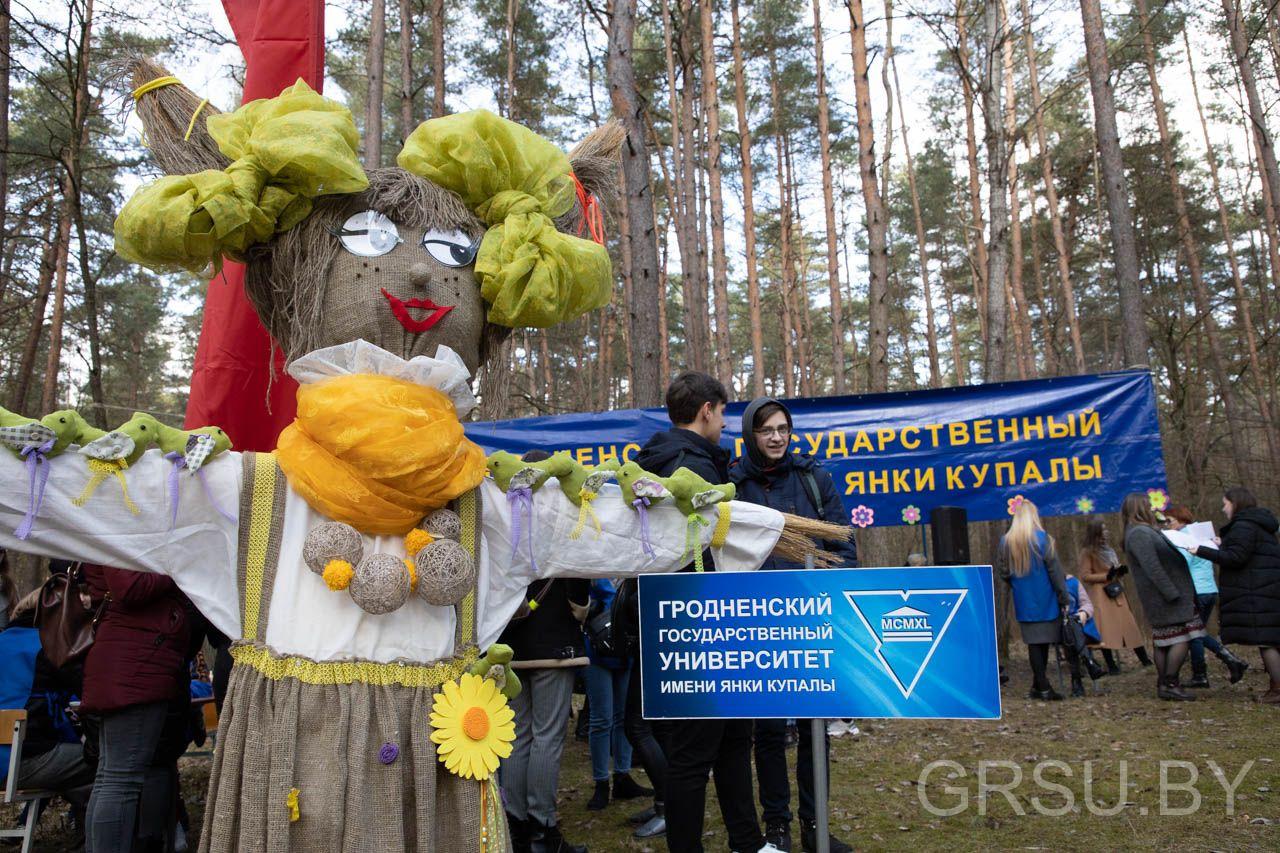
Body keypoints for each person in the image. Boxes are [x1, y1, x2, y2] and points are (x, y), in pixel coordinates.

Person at [634, 372, 777, 853]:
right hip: (696, 622)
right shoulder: (687, 464)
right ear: (707, 411)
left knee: (736, 736)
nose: (724, 422)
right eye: (723, 412)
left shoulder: (674, 458)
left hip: (717, 617)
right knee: (693, 752)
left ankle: (746, 839)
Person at [730, 396, 855, 853]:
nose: (777, 437)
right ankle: (777, 828)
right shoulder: (733, 483)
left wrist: (833, 596)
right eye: (767, 430)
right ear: (751, 435)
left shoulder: (814, 479)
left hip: (812, 623)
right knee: (766, 732)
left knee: (813, 728)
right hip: (756, 629)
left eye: (783, 428)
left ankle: (814, 823)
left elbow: (843, 546)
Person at [500, 448, 594, 853]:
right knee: (547, 738)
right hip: (556, 643)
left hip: (511, 645)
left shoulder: (505, 524)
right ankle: (544, 829)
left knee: (517, 737)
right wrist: (582, 609)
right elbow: (579, 594)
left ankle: (516, 828)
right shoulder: (561, 522)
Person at [80, 563, 201, 852]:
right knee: (121, 780)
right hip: (136, 660)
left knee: (111, 776)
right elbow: (129, 586)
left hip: (130, 657)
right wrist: (180, 566)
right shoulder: (120, 519)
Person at [1194, 487, 1280, 703]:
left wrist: (1201, 550)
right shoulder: (1258, 525)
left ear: (1236, 503)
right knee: (1273, 640)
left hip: (1256, 592)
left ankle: (1277, 690)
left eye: (1226, 504)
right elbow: (1247, 552)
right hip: (1267, 589)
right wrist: (1223, 544)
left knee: (1266, 641)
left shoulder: (1243, 526)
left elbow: (1236, 558)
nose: (1224, 509)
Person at [1121, 493, 1205, 701]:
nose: (1153, 509)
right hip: (1165, 596)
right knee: (1180, 638)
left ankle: (1165, 683)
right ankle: (1170, 683)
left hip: (1167, 594)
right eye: (1148, 506)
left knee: (1167, 640)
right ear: (1139, 509)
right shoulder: (1139, 534)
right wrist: (1171, 593)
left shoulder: (1145, 531)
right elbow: (1153, 568)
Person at [582, 578, 649, 812]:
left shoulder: (633, 562)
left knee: (623, 718)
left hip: (626, 647)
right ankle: (601, 783)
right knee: (602, 718)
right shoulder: (591, 563)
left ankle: (622, 776)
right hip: (596, 647)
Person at [1164, 504, 1250, 687]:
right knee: (1196, 631)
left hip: (1196, 591)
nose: (1167, 525)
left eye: (1170, 521)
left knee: (1194, 633)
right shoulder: (1201, 534)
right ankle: (1211, 669)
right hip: (1209, 589)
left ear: (1181, 521)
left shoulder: (1183, 538)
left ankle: (1213, 668)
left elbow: (1182, 563)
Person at [996, 499, 1071, 700]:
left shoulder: (1006, 542)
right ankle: (1044, 687)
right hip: (1046, 598)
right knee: (1042, 643)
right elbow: (1056, 572)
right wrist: (1064, 596)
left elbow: (1003, 572)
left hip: (1023, 599)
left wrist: (1017, 585)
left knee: (1034, 643)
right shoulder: (1044, 539)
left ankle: (1039, 686)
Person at [1077, 518, 1153, 673]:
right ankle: (1111, 665)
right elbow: (1085, 576)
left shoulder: (1109, 550)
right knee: (1106, 631)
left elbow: (1113, 569)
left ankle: (1145, 660)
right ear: (1095, 532)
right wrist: (1106, 576)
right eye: (1103, 530)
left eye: (1106, 530)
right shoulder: (1088, 552)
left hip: (1116, 593)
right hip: (1101, 596)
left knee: (1129, 626)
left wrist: (1118, 572)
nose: (1106, 533)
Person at [1062, 573, 1106, 696]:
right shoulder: (1046, 585)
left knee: (1071, 627)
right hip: (1060, 630)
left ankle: (1077, 683)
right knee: (1068, 628)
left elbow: (1087, 604)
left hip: (1081, 628)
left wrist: (1084, 613)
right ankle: (1089, 662)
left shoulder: (1073, 582)